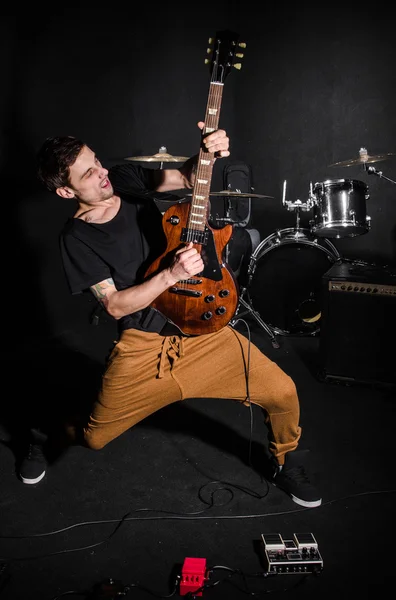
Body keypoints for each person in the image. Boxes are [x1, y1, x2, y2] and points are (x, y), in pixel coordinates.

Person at [22, 121, 321, 509]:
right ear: (66, 191)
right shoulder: (76, 238)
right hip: (145, 346)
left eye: (97, 162)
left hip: (202, 329)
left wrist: (207, 153)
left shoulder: (126, 179)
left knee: (282, 391)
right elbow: (115, 305)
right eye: (89, 173)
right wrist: (172, 274)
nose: (103, 174)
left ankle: (286, 462)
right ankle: (44, 432)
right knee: (94, 437)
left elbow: (185, 175)